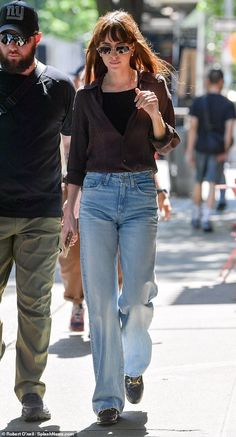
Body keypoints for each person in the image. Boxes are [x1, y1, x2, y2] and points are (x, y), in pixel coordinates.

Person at [62, 10, 179, 426]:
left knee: (136, 296)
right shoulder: (86, 96)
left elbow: (166, 143)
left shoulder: (153, 87)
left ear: (134, 48)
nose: (113, 54)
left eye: (121, 46)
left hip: (139, 195)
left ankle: (133, 364)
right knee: (100, 304)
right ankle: (107, 398)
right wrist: (69, 212)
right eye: (105, 48)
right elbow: (76, 161)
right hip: (94, 197)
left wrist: (153, 114)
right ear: (97, 52)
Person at [0, 0, 75, 422]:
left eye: (19, 39)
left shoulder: (60, 87)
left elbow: (73, 148)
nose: (11, 46)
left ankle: (31, 391)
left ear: (36, 40)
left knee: (34, 306)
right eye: (4, 38)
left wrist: (71, 208)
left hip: (41, 214)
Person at [186, 68, 236, 232]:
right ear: (221, 82)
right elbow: (229, 132)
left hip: (200, 147)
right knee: (213, 183)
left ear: (208, 81)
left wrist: (189, 150)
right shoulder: (228, 105)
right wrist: (225, 151)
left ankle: (195, 215)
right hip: (217, 150)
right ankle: (207, 218)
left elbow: (193, 128)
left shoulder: (198, 102)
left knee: (198, 181)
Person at [59, 65, 85, 332]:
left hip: (103, 186)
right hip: (68, 187)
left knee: (116, 255)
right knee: (71, 255)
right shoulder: (65, 106)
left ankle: (112, 305)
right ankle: (77, 303)